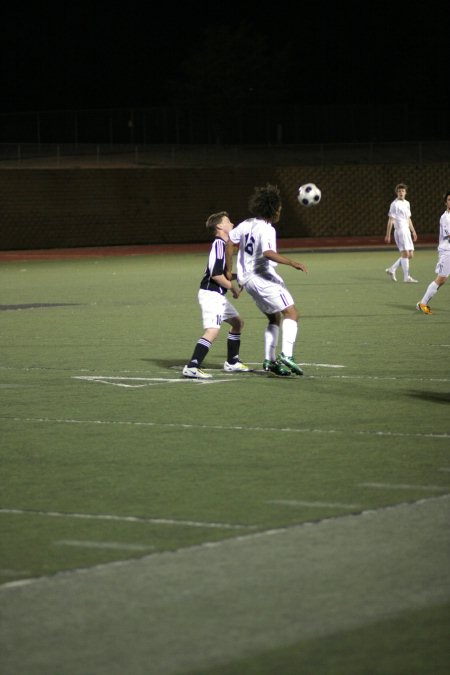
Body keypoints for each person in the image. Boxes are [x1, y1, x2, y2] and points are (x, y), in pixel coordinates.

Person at [225, 183, 308, 377]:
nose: (280, 211)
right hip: (263, 278)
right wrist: (292, 262)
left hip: (248, 281)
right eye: (279, 208)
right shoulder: (267, 229)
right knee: (292, 313)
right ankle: (287, 355)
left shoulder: (246, 224)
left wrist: (229, 271)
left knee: (274, 317)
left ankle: (269, 361)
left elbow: (230, 242)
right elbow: (268, 253)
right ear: (272, 209)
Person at [183, 211, 250, 379]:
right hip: (211, 294)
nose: (232, 224)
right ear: (220, 226)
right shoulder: (219, 244)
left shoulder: (223, 245)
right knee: (212, 330)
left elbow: (222, 273)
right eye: (229, 221)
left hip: (218, 296)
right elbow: (215, 274)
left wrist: (239, 276)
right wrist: (233, 288)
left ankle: (232, 362)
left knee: (237, 323)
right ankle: (192, 366)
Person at [416, 190, 450, 315]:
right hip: (447, 252)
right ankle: (423, 304)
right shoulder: (446, 218)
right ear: (445, 202)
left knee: (442, 280)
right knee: (440, 280)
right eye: (449, 200)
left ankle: (422, 303)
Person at [384, 183, 418, 283]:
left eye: (403, 191)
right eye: (399, 191)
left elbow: (408, 218)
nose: (401, 193)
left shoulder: (407, 203)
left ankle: (391, 269)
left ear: (406, 192)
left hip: (407, 231)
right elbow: (390, 220)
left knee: (410, 255)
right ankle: (406, 277)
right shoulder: (394, 204)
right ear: (396, 193)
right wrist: (388, 234)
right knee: (405, 253)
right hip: (399, 231)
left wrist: (413, 231)